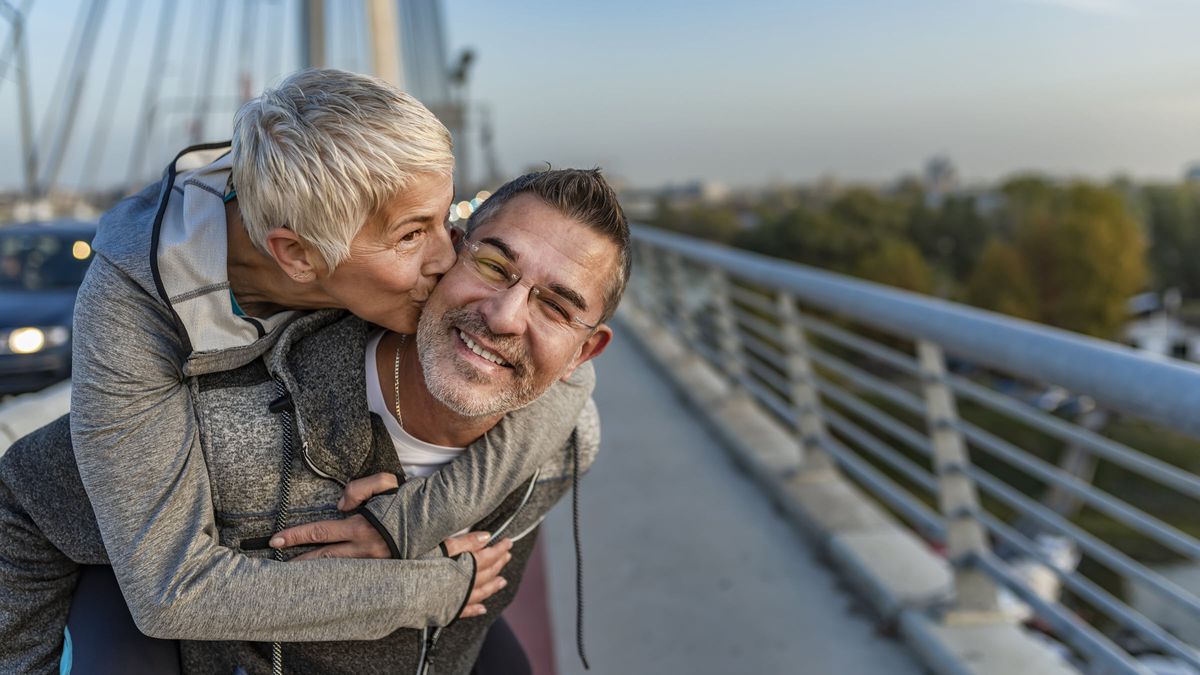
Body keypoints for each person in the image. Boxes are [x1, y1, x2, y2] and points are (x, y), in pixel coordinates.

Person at [0, 69, 594, 670]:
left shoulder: (339, 206)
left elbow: (568, 374)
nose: (447, 258)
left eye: (445, 219)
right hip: (79, 560)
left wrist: (407, 525)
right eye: (414, 235)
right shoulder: (134, 318)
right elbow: (170, 590)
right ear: (296, 256)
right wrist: (431, 589)